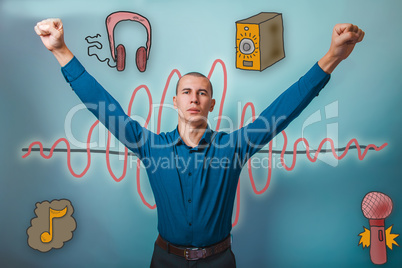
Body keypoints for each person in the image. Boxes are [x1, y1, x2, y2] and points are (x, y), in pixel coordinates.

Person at [34, 18, 364, 267]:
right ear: (175, 102)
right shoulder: (150, 146)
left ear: (211, 104)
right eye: (186, 92)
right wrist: (61, 51)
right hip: (164, 260)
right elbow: (104, 108)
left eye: (202, 93)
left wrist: (332, 57)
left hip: (220, 262)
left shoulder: (234, 147)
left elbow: (283, 109)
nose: (194, 98)